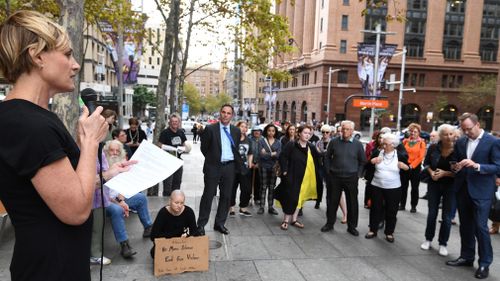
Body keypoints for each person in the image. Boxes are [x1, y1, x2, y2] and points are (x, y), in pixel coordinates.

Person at [0, 10, 126, 281]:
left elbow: (64, 188)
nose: (76, 64)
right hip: (51, 270)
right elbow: (76, 211)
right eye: (67, 54)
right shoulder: (28, 124)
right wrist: (91, 142)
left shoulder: (25, 117)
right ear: (37, 55)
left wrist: (105, 171)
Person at [446, 113, 500, 279]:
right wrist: (455, 166)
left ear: (478, 124)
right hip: (463, 189)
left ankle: (484, 264)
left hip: (482, 192)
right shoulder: (461, 141)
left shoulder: (493, 141)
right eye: (464, 130)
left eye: (469, 129)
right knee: (466, 226)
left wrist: (477, 166)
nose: (467, 132)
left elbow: (497, 167)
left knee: (480, 228)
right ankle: (467, 257)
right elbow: (455, 160)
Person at [94, 140, 153, 259]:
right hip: (105, 201)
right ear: (106, 151)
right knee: (117, 210)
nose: (115, 153)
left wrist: (122, 197)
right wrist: (119, 202)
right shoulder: (102, 166)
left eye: (117, 150)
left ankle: (148, 227)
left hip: (119, 198)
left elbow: (127, 184)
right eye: (112, 150)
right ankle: (124, 244)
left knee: (141, 198)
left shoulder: (122, 164)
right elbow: (102, 193)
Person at [197, 104, 241, 235]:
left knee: (226, 197)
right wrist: (213, 159)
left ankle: (220, 223)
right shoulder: (210, 129)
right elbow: (204, 148)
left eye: (228, 113)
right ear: (220, 113)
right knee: (208, 196)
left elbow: (235, 148)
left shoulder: (236, 131)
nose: (226, 115)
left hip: (229, 167)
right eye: (223, 112)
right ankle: (201, 225)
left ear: (232, 115)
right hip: (213, 167)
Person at [321, 120, 367, 236]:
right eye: (342, 129)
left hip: (351, 177)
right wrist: (328, 171)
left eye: (346, 129)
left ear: (352, 131)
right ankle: (329, 223)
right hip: (335, 177)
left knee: (352, 203)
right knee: (332, 202)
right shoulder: (334, 142)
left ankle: (352, 227)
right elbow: (327, 158)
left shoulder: (357, 144)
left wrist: (358, 174)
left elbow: (363, 161)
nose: (344, 131)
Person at [420, 124, 457, 257]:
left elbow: (460, 171)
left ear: (454, 134)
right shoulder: (434, 147)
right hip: (434, 184)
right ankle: (428, 239)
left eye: (451, 134)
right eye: (445, 134)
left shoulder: (459, 149)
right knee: (432, 213)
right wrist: (431, 173)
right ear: (440, 135)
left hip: (451, 185)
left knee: (447, 217)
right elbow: (426, 163)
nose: (448, 137)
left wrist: (445, 173)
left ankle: (443, 243)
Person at [365, 133, 409, 242]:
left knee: (391, 210)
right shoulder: (377, 152)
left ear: (393, 145)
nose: (383, 146)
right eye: (382, 143)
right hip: (376, 186)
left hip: (394, 188)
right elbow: (367, 166)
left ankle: (389, 232)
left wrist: (405, 167)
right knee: (375, 208)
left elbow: (408, 171)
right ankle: (372, 229)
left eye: (386, 144)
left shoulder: (400, 155)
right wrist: (371, 162)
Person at [275, 125, 319, 230]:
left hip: (305, 178)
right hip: (292, 176)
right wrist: (285, 171)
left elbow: (318, 159)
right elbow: (282, 156)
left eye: (309, 133)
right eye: (305, 133)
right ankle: (285, 220)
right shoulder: (292, 145)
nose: (307, 135)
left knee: (300, 199)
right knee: (290, 198)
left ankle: (294, 220)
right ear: (299, 133)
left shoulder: (311, 147)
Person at [150, 190, 200, 258]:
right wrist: (174, 237)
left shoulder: (189, 212)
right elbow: (153, 236)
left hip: (183, 245)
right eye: (176, 203)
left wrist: (188, 236)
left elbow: (195, 232)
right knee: (155, 253)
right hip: (167, 245)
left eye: (181, 203)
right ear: (170, 201)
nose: (179, 206)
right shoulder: (163, 213)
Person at [315, 125, 347, 223]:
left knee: (338, 192)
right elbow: (318, 154)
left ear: (330, 133)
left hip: (333, 170)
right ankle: (331, 212)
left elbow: (331, 155)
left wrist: (322, 153)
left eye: (327, 132)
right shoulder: (318, 142)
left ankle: (345, 214)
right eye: (323, 132)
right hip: (322, 168)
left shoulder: (334, 143)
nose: (325, 134)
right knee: (329, 192)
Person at [157, 114, 187, 196]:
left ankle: (176, 200)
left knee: (177, 183)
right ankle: (166, 203)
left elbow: (184, 145)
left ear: (179, 122)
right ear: (170, 122)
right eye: (173, 121)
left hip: (178, 161)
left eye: (176, 121)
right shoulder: (165, 133)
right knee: (168, 185)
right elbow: (159, 144)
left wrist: (183, 149)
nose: (174, 123)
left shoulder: (181, 132)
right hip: (167, 161)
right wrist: (170, 148)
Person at [400, 123, 426, 213]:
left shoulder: (422, 143)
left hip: (415, 168)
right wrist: (404, 165)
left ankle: (413, 206)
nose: (413, 133)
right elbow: (401, 153)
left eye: (415, 132)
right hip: (404, 167)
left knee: (415, 188)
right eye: (411, 131)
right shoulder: (405, 141)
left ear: (418, 132)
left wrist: (411, 166)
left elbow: (420, 157)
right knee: (403, 187)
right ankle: (402, 204)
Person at [229, 121, 253, 216]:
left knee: (246, 189)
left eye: (245, 127)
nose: (244, 128)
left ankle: (243, 208)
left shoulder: (248, 140)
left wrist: (250, 163)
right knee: (232, 188)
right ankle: (231, 208)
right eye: (242, 126)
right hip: (233, 168)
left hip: (245, 168)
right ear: (237, 127)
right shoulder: (233, 139)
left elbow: (250, 153)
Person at [258, 123, 282, 215]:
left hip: (273, 167)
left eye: (273, 131)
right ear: (266, 131)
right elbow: (261, 155)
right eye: (269, 130)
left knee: (272, 187)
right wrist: (272, 154)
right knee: (263, 187)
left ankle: (271, 207)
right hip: (263, 166)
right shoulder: (261, 141)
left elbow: (278, 155)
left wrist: (267, 153)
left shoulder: (278, 142)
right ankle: (261, 206)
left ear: (275, 132)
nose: (271, 132)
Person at [249, 126, 263, 205]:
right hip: (250, 164)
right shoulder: (249, 140)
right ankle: (248, 197)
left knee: (258, 183)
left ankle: (257, 198)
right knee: (248, 182)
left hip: (259, 165)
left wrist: (258, 163)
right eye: (255, 131)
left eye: (258, 131)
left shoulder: (263, 140)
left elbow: (264, 153)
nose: (257, 132)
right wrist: (251, 162)